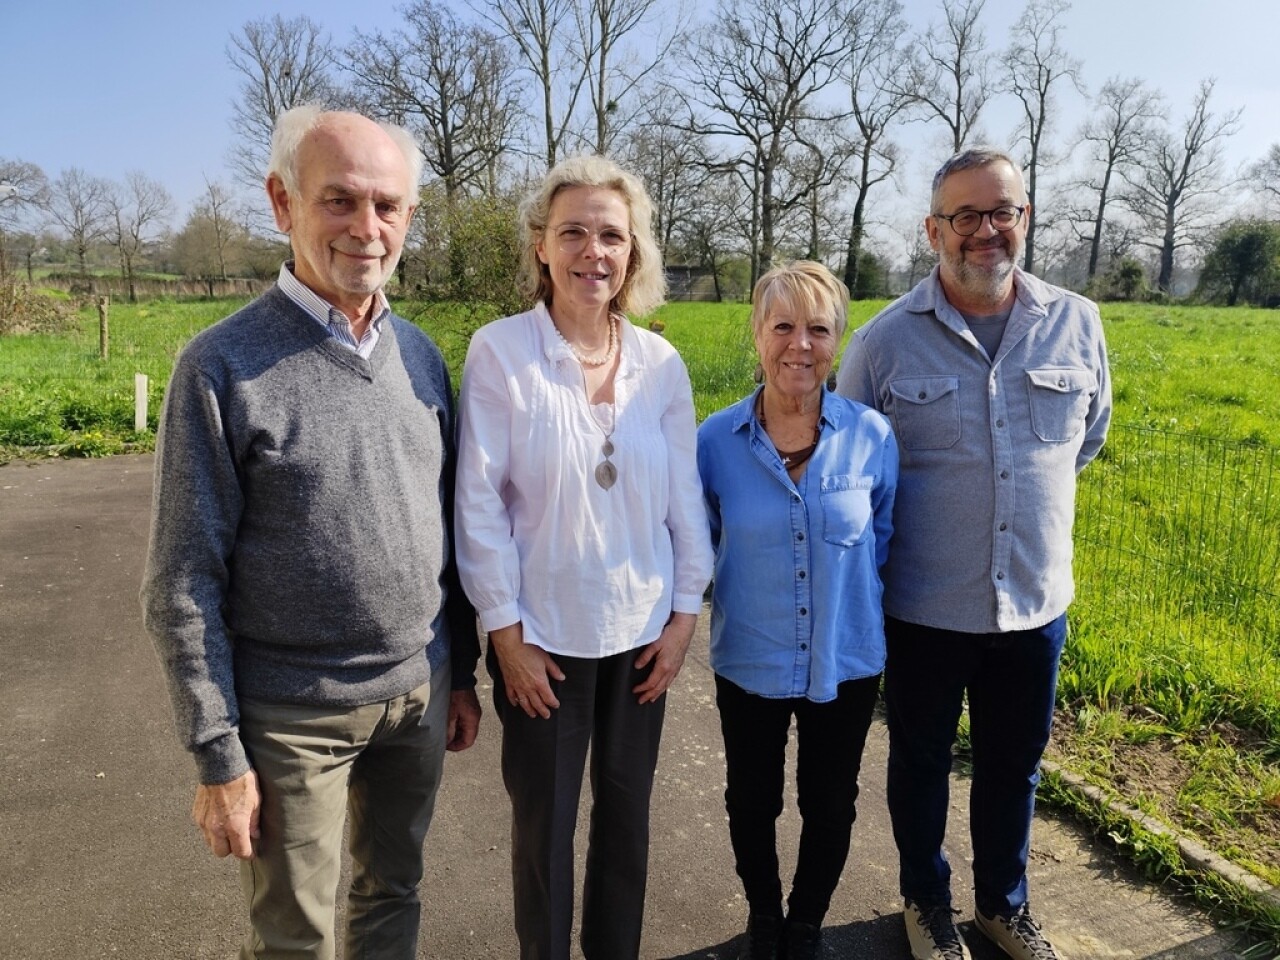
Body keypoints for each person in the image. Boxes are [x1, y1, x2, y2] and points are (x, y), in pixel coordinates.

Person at [140, 105, 481, 960]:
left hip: (417, 694)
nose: (368, 229)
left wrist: (461, 671)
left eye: (388, 206)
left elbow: (447, 532)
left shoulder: (423, 356)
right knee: (294, 938)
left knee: (393, 895)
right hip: (292, 715)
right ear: (282, 202)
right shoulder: (220, 368)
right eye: (339, 201)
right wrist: (217, 753)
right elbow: (182, 580)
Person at [836, 147, 1111, 960]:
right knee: (920, 763)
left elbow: (1085, 441)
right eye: (966, 216)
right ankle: (927, 904)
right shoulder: (885, 343)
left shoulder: (1078, 322)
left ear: (1024, 219)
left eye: (1004, 213)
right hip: (926, 607)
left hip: (1033, 601)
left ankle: (1003, 904)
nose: (987, 231)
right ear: (933, 230)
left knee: (1014, 766)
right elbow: (851, 465)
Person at [453, 154, 713, 960]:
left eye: (611, 235)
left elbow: (685, 504)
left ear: (631, 253)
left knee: (626, 828)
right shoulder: (501, 352)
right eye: (573, 232)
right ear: (541, 245)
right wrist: (504, 634)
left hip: (640, 638)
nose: (592, 251)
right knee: (545, 836)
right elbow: (479, 506)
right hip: (544, 644)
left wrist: (683, 617)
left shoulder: (660, 365)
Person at [697, 261, 898, 960]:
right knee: (752, 801)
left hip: (844, 658)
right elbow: (700, 546)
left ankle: (805, 922)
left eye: (818, 328)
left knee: (830, 800)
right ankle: (763, 918)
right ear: (757, 333)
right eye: (783, 326)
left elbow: (883, 540)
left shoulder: (872, 437)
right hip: (749, 655)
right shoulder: (714, 442)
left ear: (838, 339)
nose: (800, 345)